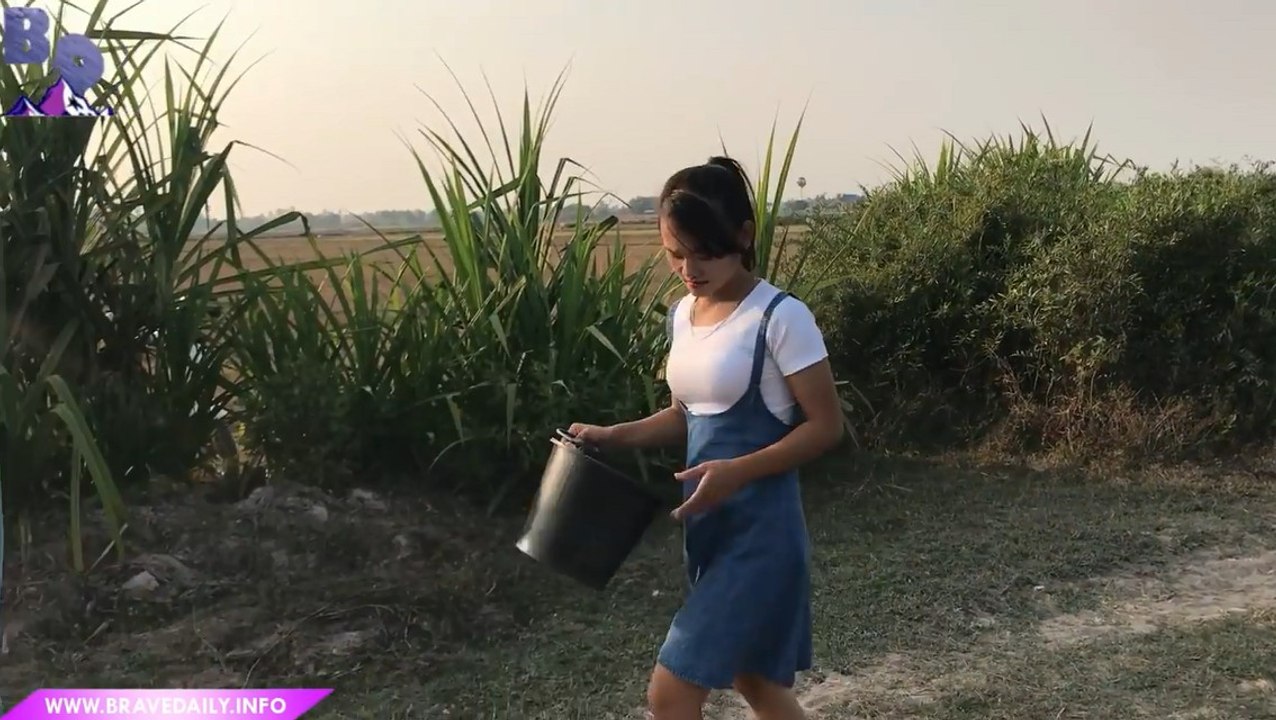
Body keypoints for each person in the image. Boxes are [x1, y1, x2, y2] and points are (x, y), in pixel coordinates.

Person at [569, 156, 844, 720]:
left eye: (704, 251)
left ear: (743, 236)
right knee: (757, 682)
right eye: (675, 253)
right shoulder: (683, 316)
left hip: (762, 538)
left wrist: (736, 472)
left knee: (670, 694)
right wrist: (613, 436)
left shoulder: (782, 318)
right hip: (708, 534)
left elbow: (826, 426)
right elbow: (685, 417)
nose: (689, 268)